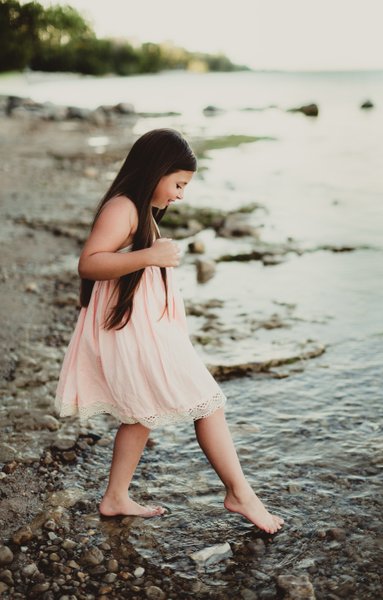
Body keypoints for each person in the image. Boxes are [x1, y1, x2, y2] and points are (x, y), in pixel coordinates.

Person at [55, 128, 284, 534]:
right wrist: (151, 255)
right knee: (208, 402)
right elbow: (88, 263)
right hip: (132, 332)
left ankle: (116, 497)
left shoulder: (138, 210)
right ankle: (239, 493)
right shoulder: (122, 207)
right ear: (155, 171)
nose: (181, 195)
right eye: (178, 183)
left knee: (142, 412)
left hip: (143, 328)